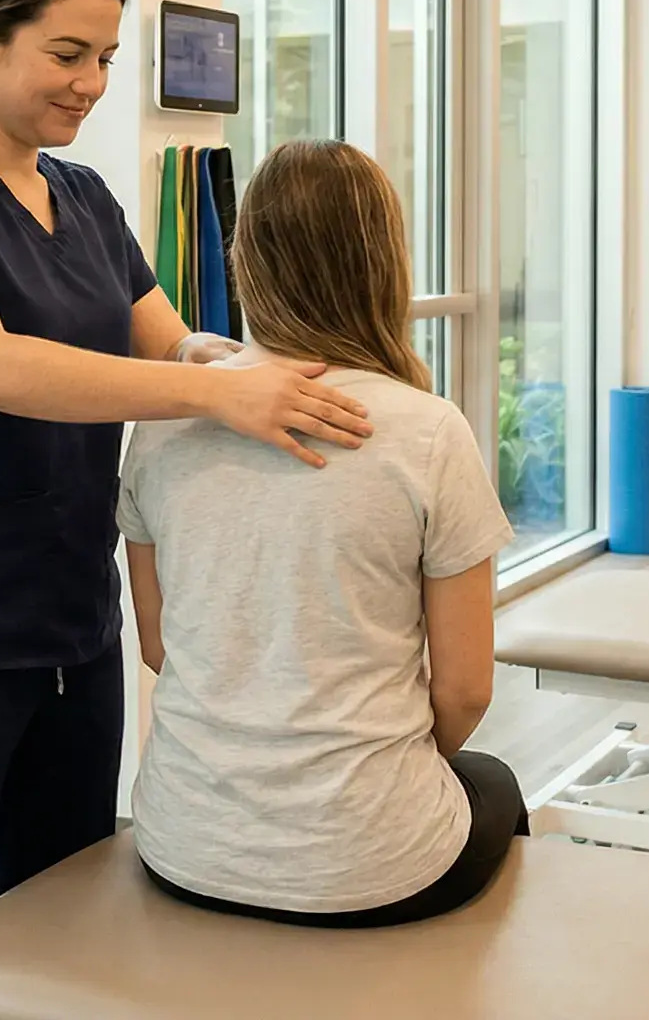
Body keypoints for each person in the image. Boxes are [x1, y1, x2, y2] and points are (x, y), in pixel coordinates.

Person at [0, 0, 377, 1020]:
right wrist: (217, 394)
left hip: (70, 629)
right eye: (67, 54)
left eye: (106, 57)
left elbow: (174, 345)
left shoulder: (87, 197)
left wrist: (276, 370)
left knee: (60, 937)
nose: (93, 83)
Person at [119, 138, 521, 927]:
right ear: (384, 264)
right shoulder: (428, 431)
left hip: (182, 844)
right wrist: (364, 789)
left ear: (247, 262)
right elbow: (466, 690)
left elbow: (159, 647)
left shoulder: (165, 420)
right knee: (494, 782)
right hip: (369, 865)